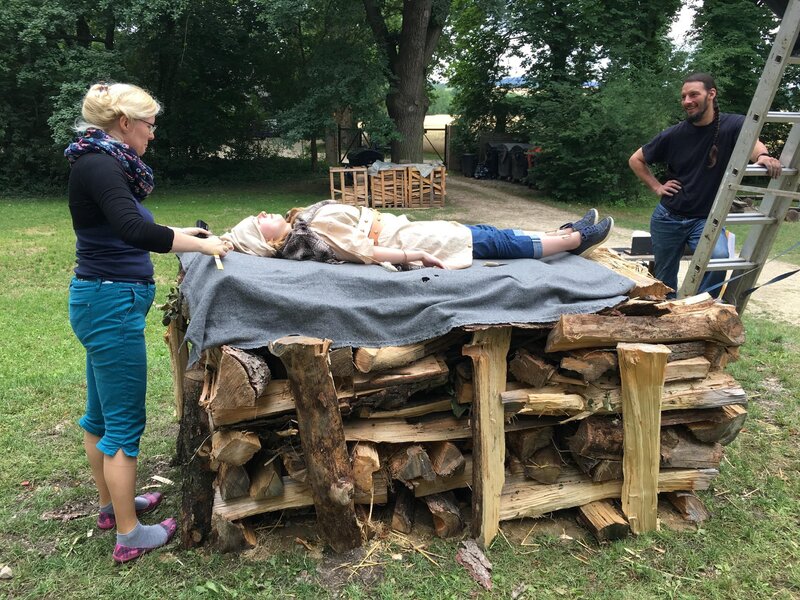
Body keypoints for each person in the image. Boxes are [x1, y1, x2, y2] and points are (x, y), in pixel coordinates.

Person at [64, 82, 232, 563]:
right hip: (111, 305)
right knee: (123, 424)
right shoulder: (100, 164)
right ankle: (130, 534)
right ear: (125, 123)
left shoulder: (98, 160)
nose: (152, 134)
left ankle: (111, 507)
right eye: (149, 124)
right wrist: (203, 245)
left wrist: (182, 232)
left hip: (102, 301)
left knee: (99, 416)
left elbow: (121, 229)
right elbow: (134, 230)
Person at [628, 72, 783, 298]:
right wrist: (657, 187)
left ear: (711, 94)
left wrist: (763, 156)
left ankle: (701, 305)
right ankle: (669, 312)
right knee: (664, 280)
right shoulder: (674, 134)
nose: (687, 101)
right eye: (683, 96)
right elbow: (636, 159)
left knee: (719, 259)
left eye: (693, 95)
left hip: (706, 219)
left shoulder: (733, 125)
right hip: (668, 218)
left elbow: (752, 144)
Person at [220, 201, 614, 268]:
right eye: (258, 221)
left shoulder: (302, 221)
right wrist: (416, 256)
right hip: (409, 240)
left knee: (484, 232)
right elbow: (365, 251)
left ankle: (560, 233)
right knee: (489, 241)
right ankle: (573, 241)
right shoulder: (311, 233)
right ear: (267, 241)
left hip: (403, 227)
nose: (261, 213)